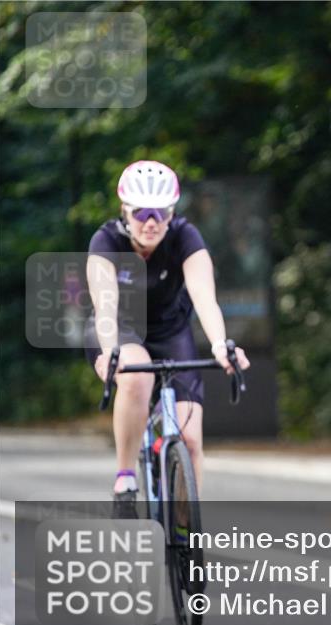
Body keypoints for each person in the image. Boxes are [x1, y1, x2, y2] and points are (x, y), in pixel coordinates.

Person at [85, 160, 249, 518]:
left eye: (160, 213)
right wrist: (112, 352)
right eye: (141, 212)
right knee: (137, 377)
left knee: (190, 440)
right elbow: (105, 304)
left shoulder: (185, 236)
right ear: (124, 210)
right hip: (121, 330)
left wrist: (221, 345)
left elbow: (205, 297)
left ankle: (185, 529)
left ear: (172, 213)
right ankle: (126, 479)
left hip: (171, 330)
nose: (151, 221)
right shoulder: (106, 241)